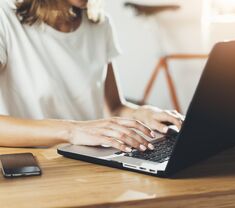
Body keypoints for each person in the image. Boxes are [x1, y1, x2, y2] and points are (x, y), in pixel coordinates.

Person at [0, 0, 183, 153]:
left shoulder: (100, 24)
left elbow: (115, 108)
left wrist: (141, 113)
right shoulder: (5, 17)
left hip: (88, 161)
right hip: (36, 165)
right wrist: (72, 130)